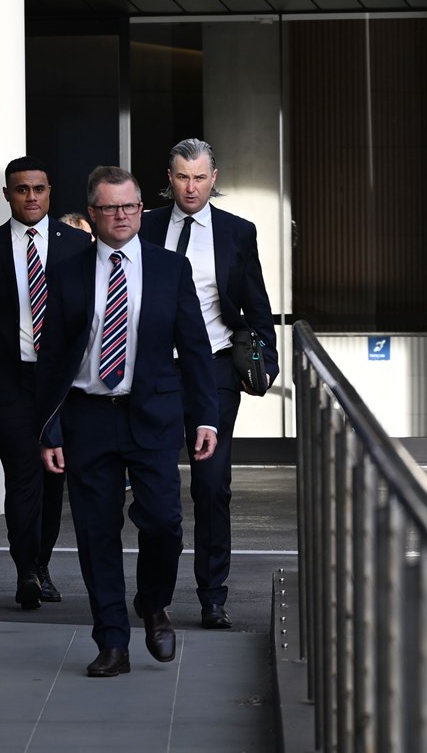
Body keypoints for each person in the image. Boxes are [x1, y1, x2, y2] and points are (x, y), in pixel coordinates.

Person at [36, 165, 218, 677]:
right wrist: (48, 429)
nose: (122, 216)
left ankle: (153, 602)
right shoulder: (67, 270)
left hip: (153, 415)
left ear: (141, 209)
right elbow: (53, 356)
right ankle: (112, 641)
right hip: (88, 417)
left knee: (163, 522)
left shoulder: (169, 268)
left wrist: (205, 417)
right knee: (97, 533)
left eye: (130, 206)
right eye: (110, 208)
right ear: (92, 214)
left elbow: (195, 348)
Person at [139, 138, 278, 630]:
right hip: (155, 373)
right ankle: (153, 594)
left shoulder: (237, 232)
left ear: (214, 178)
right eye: (182, 177)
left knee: (212, 485)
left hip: (214, 372)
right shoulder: (145, 225)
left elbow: (255, 301)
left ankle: (213, 597)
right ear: (169, 178)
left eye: (200, 177)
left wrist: (266, 358)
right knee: (153, 488)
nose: (191, 187)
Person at [0, 156, 91, 609]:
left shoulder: (79, 244)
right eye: (21, 189)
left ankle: (42, 563)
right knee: (23, 472)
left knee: (53, 477)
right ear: (7, 194)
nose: (31, 197)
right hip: (7, 381)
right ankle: (26, 572)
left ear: (50, 191)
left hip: (61, 384)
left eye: (38, 188)